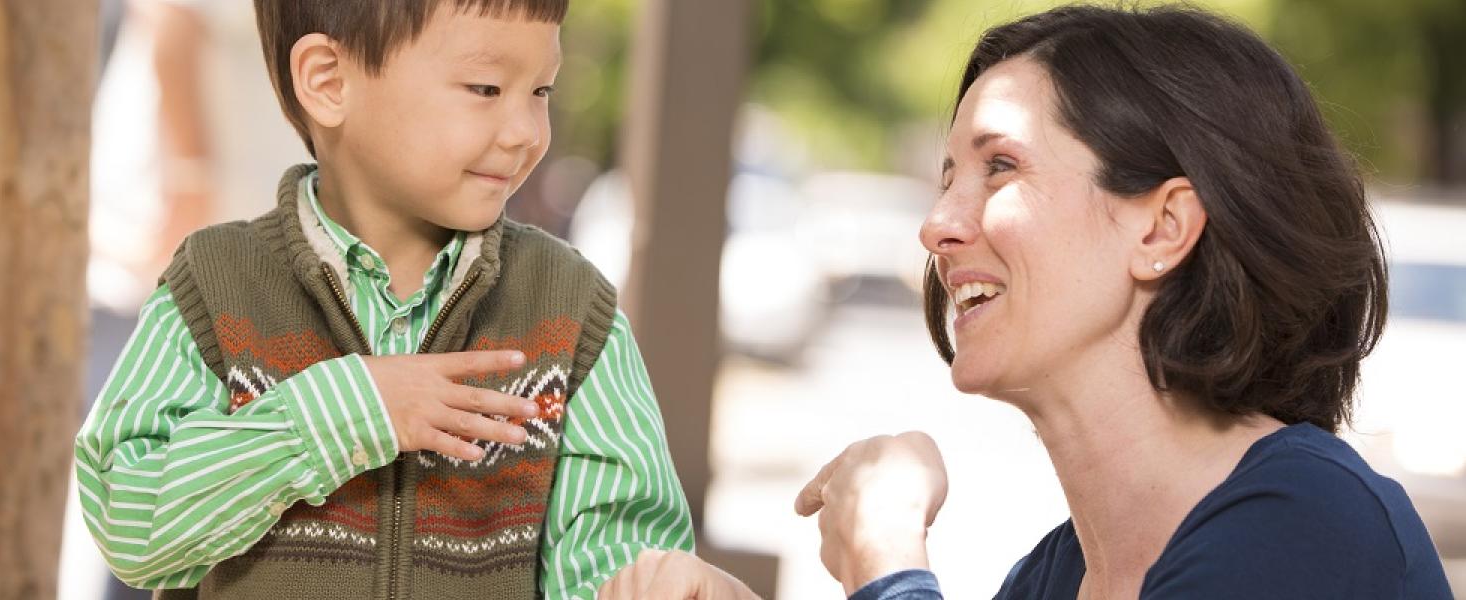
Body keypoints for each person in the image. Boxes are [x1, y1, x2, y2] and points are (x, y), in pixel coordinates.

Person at [597, 5, 1454, 599]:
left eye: (998, 166)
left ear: (1162, 228)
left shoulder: (1312, 529)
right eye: (945, 179)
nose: (936, 226)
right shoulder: (1060, 573)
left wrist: (889, 560)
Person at [73, 1, 693, 598]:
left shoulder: (572, 314)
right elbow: (130, 524)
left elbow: (617, 558)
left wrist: (664, 587)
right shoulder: (212, 285)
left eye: (541, 91)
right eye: (485, 88)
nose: (526, 132)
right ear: (329, 80)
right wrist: (351, 410)